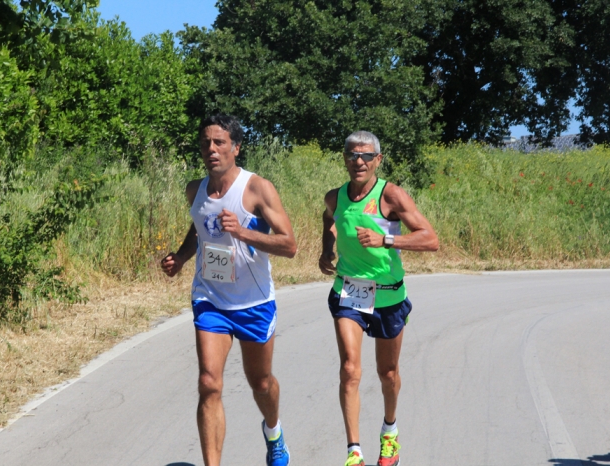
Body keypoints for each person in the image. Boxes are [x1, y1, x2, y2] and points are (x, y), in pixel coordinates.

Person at [161, 114, 296, 466]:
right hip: (210, 298)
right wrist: (180, 257)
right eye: (206, 142)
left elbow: (289, 245)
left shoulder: (256, 189)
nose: (211, 149)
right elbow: (198, 230)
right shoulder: (195, 189)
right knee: (208, 382)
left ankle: (274, 432)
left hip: (254, 302)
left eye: (219, 142)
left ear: (236, 147)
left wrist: (243, 232)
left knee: (261, 383)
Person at [319, 131, 439, 466]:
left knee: (387, 373)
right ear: (344, 158)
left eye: (366, 156)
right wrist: (327, 249)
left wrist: (385, 240)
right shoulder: (336, 196)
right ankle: (354, 452)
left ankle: (390, 433)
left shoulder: (391, 196)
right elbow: (329, 217)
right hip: (349, 292)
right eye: (352, 155)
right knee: (349, 369)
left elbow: (430, 239)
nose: (358, 161)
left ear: (378, 160)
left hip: (388, 297)